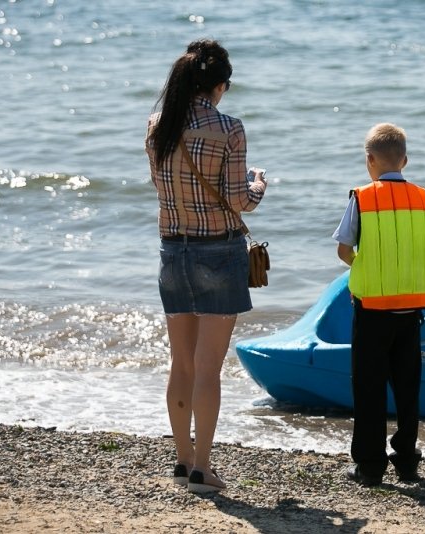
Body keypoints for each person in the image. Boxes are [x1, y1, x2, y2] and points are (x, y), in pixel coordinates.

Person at [145, 39, 267, 493]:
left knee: (181, 363)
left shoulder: (157, 126)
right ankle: (202, 468)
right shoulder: (229, 128)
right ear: (218, 85)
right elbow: (239, 201)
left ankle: (180, 461)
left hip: (172, 250)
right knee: (209, 366)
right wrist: (259, 184)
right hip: (218, 250)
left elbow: (163, 188)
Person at [333, 123, 425, 486]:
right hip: (411, 311)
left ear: (369, 160)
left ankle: (369, 466)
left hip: (373, 311)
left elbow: (343, 249)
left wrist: (370, 267)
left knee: (368, 388)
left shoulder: (363, 198)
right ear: (406, 160)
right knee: (407, 386)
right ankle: (407, 461)